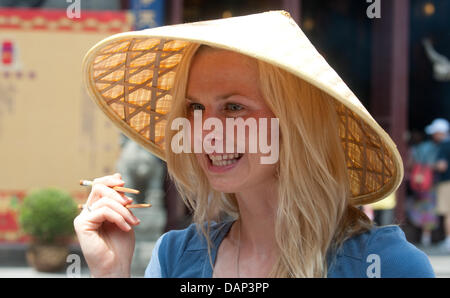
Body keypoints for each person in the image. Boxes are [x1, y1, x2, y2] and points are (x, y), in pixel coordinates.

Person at [74, 11, 435, 277]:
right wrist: (112, 271)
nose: (205, 130)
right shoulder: (176, 257)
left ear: (297, 126)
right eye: (195, 107)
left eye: (233, 107)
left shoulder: (385, 265)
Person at [406, 119, 448, 247]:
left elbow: (441, 166)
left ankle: (428, 237)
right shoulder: (430, 147)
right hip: (431, 184)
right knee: (429, 209)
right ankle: (428, 237)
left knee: (432, 210)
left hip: (433, 184)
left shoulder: (441, 146)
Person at [432, 119, 450, 253]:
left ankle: (449, 240)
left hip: (446, 183)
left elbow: (442, 166)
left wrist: (429, 168)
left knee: (448, 213)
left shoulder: (444, 145)